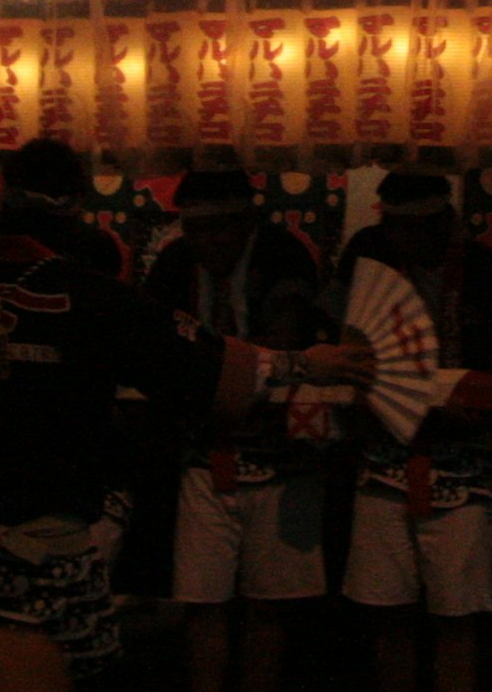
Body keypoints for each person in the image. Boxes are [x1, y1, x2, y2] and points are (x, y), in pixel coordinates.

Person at [0, 137, 370, 679]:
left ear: (2, 205)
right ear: (76, 210)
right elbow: (203, 370)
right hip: (49, 556)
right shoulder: (94, 297)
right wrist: (301, 364)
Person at [336, 169, 492, 692]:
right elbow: (340, 342)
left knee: (456, 611)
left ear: (447, 224)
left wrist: (476, 397)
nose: (412, 239)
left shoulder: (484, 269)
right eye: (401, 228)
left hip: (464, 456)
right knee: (387, 610)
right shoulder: (367, 259)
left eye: (425, 226)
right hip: (383, 450)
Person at [148, 170, 333, 692]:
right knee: (201, 600)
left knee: (267, 603)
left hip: (283, 452)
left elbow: (285, 338)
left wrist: (210, 362)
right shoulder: (173, 262)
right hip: (201, 456)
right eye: (199, 230)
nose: (212, 242)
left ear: (248, 222)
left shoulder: (283, 255)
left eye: (225, 228)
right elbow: (154, 345)